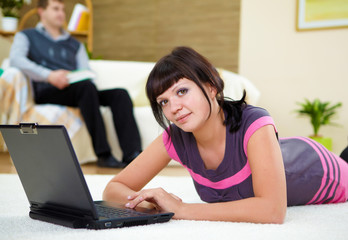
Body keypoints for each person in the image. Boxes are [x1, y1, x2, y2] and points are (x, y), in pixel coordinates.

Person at [103, 46, 348, 223]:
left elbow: (272, 211)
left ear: (211, 87)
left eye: (182, 91)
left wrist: (181, 209)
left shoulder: (255, 121)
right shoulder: (175, 137)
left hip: (320, 167)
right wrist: (148, 204)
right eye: (163, 101)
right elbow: (114, 188)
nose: (173, 108)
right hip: (281, 153)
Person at [9, 0, 142, 168]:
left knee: (119, 94)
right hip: (48, 89)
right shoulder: (26, 36)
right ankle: (104, 154)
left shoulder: (75, 45)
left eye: (63, 10)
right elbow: (16, 59)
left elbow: (85, 72)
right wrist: (49, 75)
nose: (61, 14)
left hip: (78, 89)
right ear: (41, 11)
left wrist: (77, 77)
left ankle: (133, 155)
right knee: (86, 88)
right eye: (55, 9)